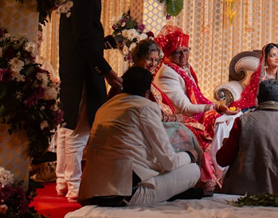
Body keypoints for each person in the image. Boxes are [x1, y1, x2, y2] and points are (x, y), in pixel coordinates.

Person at [78, 67, 202, 207]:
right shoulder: (146, 107)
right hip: (125, 194)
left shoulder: (104, 108)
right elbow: (169, 162)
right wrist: (190, 155)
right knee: (193, 170)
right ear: (148, 92)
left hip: (91, 193)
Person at [56, 0, 122, 202]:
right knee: (78, 130)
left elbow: (82, 35)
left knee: (66, 127)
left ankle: (63, 180)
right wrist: (106, 70)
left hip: (73, 68)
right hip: (83, 71)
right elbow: (83, 38)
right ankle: (74, 187)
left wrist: (105, 41)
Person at [132, 38, 218, 187]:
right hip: (146, 125)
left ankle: (201, 178)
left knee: (199, 128)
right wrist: (176, 117)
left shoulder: (150, 78)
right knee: (190, 133)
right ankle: (196, 179)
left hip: (158, 121)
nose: (153, 64)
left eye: (155, 60)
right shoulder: (133, 79)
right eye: (148, 59)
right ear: (138, 59)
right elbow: (145, 111)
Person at [216, 79, 278, 196]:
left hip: (242, 192)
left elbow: (222, 160)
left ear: (258, 99)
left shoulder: (241, 121)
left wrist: (226, 144)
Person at [153, 25, 230, 127]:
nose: (183, 55)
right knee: (220, 121)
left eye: (185, 50)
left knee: (235, 117)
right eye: (178, 52)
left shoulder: (183, 68)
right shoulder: (167, 74)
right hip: (181, 117)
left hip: (190, 112)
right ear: (169, 54)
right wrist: (216, 108)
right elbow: (185, 108)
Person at [231, 43, 278, 111]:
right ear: (266, 59)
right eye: (273, 55)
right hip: (263, 108)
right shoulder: (258, 76)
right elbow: (253, 99)